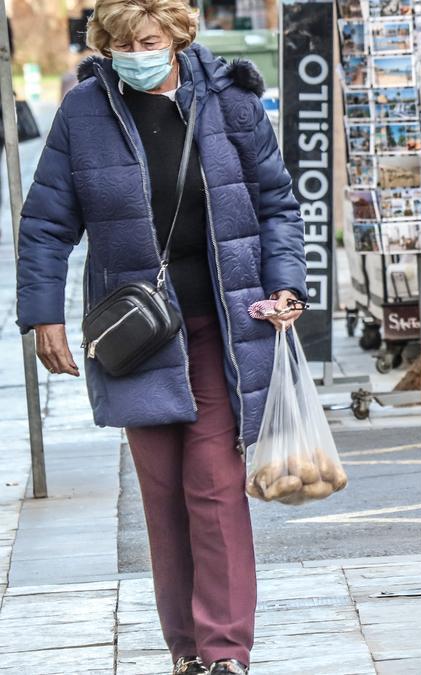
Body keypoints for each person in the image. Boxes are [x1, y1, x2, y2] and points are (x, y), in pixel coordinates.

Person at [16, 1, 306, 673]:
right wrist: (43, 315)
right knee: (161, 491)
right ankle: (188, 651)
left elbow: (277, 202)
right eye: (122, 43)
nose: (136, 52)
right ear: (106, 45)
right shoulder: (83, 113)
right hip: (138, 335)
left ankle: (226, 649)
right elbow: (45, 224)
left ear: (176, 36)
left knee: (213, 480)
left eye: (148, 39)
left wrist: (286, 283)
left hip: (227, 326)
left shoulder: (230, 100)